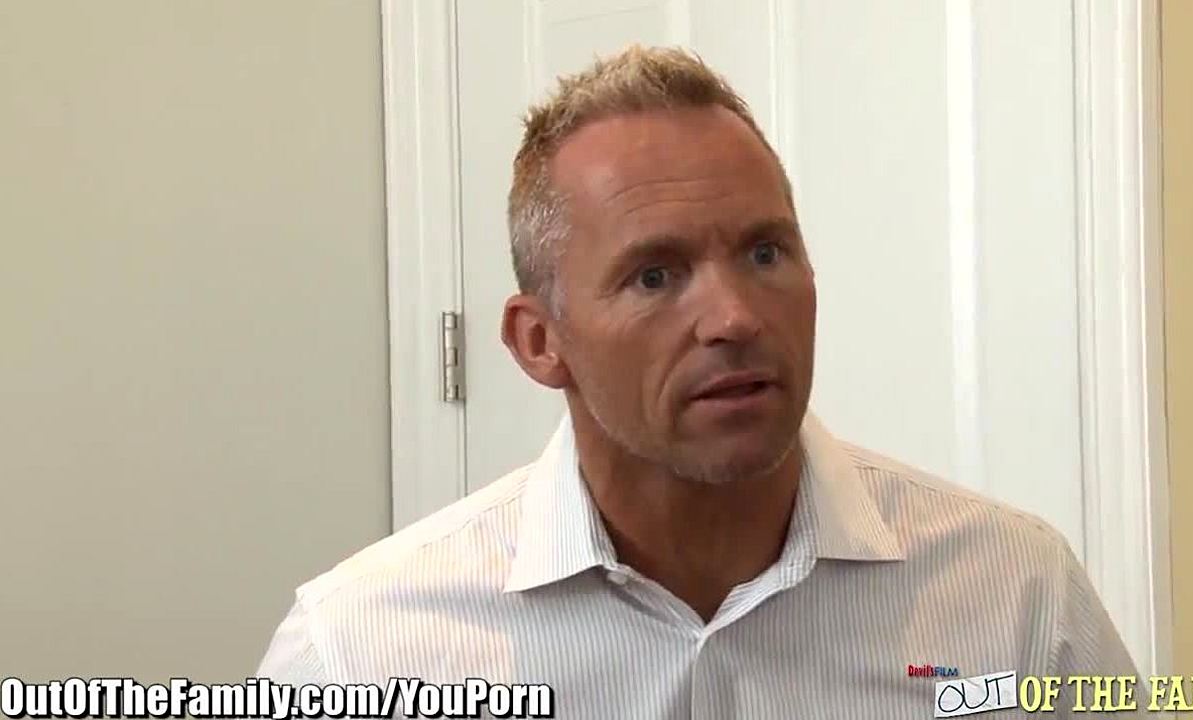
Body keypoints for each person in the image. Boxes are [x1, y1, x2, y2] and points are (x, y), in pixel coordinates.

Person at [258, 46, 1141, 718]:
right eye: (655, 275)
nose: (735, 317)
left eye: (765, 254)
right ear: (539, 341)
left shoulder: (1015, 596)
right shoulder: (359, 652)